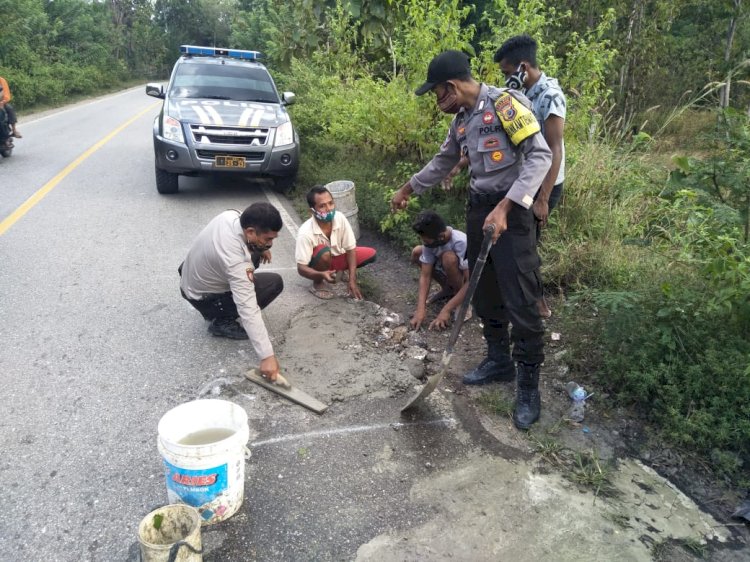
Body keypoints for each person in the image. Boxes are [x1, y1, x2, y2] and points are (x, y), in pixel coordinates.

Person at [390, 50, 551, 429]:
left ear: (451, 86)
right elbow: (444, 160)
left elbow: (539, 156)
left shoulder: (505, 105)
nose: (437, 100)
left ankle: (528, 387)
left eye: (437, 93)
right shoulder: (463, 120)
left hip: (512, 213)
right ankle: (498, 361)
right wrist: (408, 188)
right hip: (480, 210)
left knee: (521, 297)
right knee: (484, 290)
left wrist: (507, 208)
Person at [494, 35, 567, 318]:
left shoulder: (550, 96)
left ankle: (537, 305)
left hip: (543, 185)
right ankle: (526, 298)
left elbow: (554, 150)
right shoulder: (521, 93)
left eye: (508, 73)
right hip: (526, 180)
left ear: (523, 67)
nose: (506, 79)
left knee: (526, 243)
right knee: (521, 241)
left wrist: (543, 199)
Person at [179, 202, 285, 382]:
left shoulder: (231, 215)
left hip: (189, 277)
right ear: (250, 232)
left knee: (255, 255)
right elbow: (248, 307)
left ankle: (219, 304)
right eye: (268, 239)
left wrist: (261, 248)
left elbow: (248, 231)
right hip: (203, 297)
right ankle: (221, 321)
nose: (271, 244)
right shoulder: (235, 260)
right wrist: (267, 356)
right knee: (273, 283)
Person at [295, 185, 377, 300]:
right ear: (311, 211)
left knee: (371, 254)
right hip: (318, 263)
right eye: (322, 206)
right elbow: (301, 268)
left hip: (336, 257)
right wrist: (320, 274)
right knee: (323, 252)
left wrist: (352, 280)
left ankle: (339, 271)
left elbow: (350, 249)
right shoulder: (305, 232)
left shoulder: (340, 218)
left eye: (331, 203)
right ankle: (317, 283)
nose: (329, 208)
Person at [409, 210, 470, 331]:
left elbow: (471, 281)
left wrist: (446, 310)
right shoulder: (431, 243)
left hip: (466, 279)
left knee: (448, 257)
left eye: (426, 241)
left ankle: (461, 302)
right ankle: (447, 289)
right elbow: (425, 276)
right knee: (417, 252)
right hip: (446, 269)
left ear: (441, 237)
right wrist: (420, 309)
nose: (425, 243)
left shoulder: (461, 242)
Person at [0, 76, 22, 142]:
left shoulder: (1, 80)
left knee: (9, 108)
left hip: (1, 102)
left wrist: (2, 102)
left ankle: (14, 130)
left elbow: (4, 93)